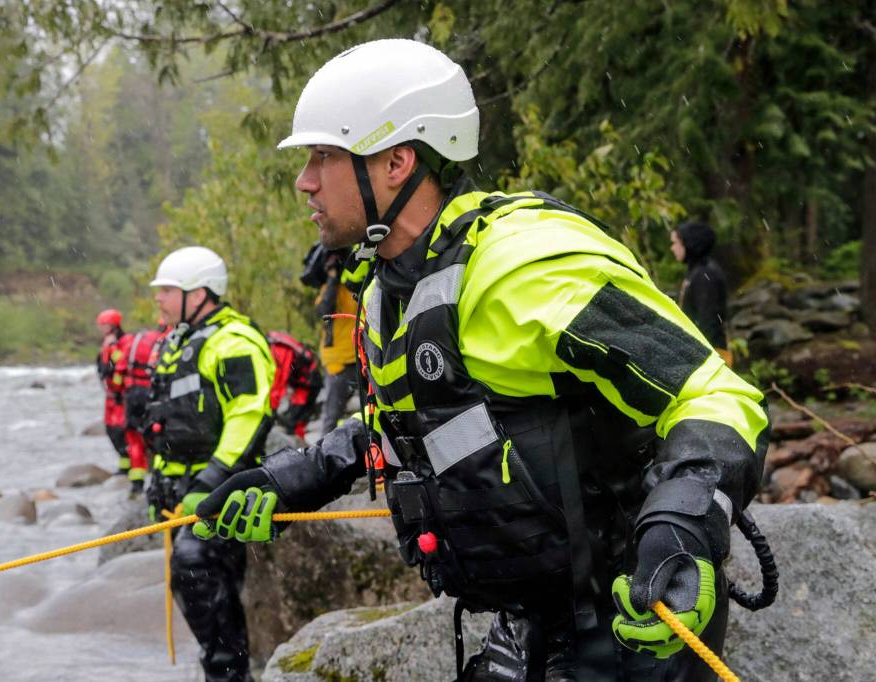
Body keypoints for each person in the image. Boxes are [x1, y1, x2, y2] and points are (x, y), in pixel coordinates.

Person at [194, 40, 770, 681]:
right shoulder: (389, 289)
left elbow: (715, 396)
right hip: (525, 620)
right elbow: (425, 425)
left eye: (324, 156)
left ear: (396, 163)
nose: (304, 180)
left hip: (631, 614)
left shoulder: (524, 264)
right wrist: (298, 475)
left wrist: (684, 520)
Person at [143, 246, 275, 682]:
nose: (158, 299)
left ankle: (229, 673)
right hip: (185, 488)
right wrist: (157, 485)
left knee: (195, 565)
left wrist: (212, 478)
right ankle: (224, 668)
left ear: (199, 294)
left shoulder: (233, 341)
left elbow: (249, 414)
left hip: (224, 488)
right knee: (195, 576)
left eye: (167, 290)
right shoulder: (179, 340)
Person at [311, 248, 362, 435]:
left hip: (359, 356)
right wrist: (332, 278)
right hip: (337, 361)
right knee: (332, 414)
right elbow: (323, 310)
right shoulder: (328, 290)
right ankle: (324, 457)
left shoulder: (354, 287)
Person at [113, 323, 164, 496]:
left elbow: (120, 368)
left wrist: (118, 393)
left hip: (132, 394)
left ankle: (137, 483)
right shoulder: (164, 341)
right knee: (157, 438)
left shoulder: (134, 341)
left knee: (134, 439)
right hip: (150, 394)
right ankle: (159, 479)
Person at [671, 221, 732, 366]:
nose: (672, 248)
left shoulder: (705, 273)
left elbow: (709, 321)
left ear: (689, 243)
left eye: (675, 243)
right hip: (704, 353)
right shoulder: (697, 272)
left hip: (711, 356)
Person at [266, 330, 323, 440]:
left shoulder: (278, 349)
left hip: (308, 384)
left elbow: (279, 381)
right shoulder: (275, 342)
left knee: (294, 421)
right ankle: (296, 445)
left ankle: (297, 449)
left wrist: (271, 409)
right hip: (302, 383)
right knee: (290, 419)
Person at [95, 308, 130, 476]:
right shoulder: (109, 342)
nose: (100, 328)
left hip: (117, 396)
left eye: (103, 325)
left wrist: (116, 388)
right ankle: (124, 463)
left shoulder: (113, 344)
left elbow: (121, 365)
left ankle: (126, 464)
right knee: (112, 428)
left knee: (117, 430)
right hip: (112, 395)